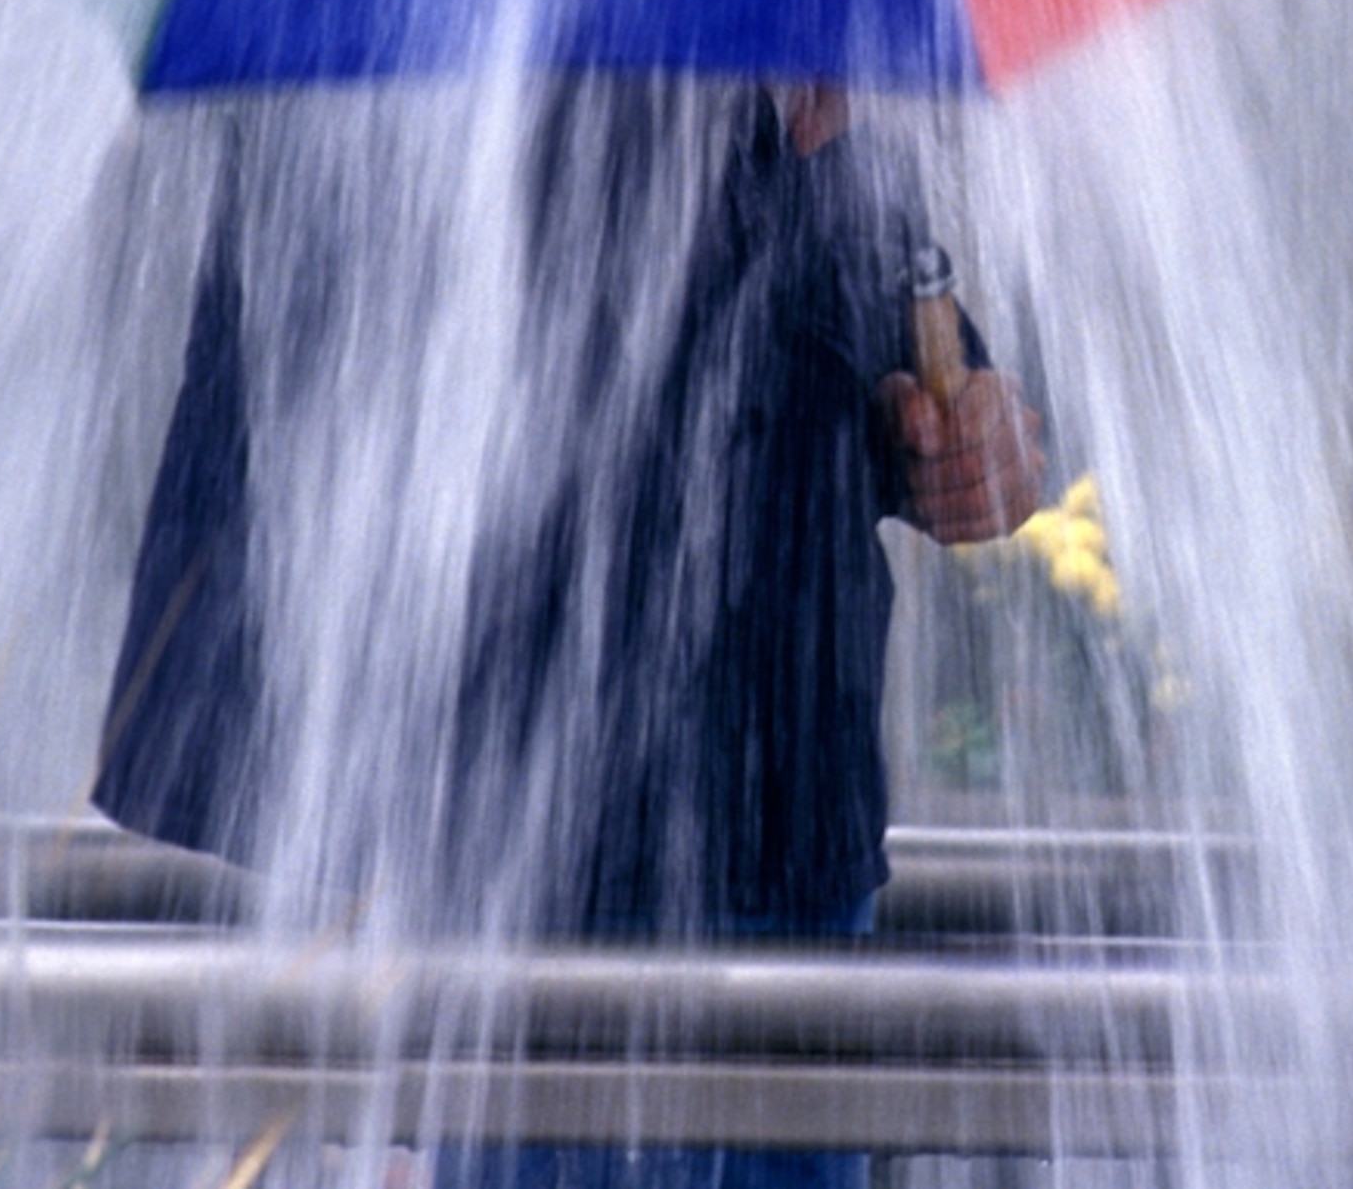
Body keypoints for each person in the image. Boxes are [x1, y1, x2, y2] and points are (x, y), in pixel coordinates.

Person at [92, 76, 1043, 1175]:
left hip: (797, 851)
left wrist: (968, 443)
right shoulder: (464, 45)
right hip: (542, 881)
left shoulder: (797, 60)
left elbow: (886, 354)